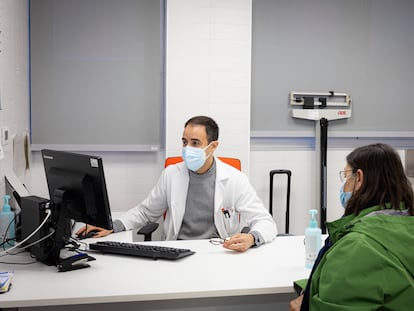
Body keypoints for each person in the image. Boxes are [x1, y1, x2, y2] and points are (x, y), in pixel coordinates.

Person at [77, 116, 277, 252]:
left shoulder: (235, 179)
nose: (187, 148)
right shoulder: (172, 174)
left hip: (219, 252)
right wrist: (112, 226)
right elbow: (145, 212)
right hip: (177, 250)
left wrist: (252, 238)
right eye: (184, 141)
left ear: (213, 146)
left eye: (195, 143)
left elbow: (265, 222)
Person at [290, 143, 414, 310]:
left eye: (346, 176)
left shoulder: (357, 246)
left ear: (360, 178)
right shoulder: (404, 226)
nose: (343, 185)